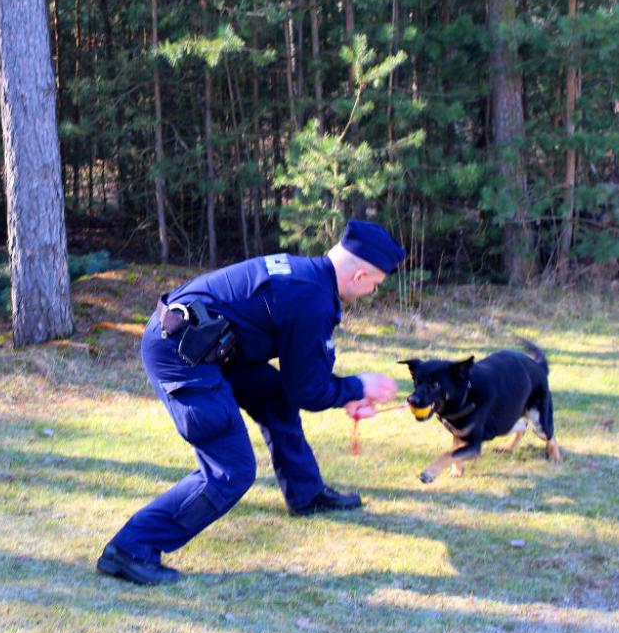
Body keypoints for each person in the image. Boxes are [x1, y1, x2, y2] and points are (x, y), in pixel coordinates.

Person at [96, 220, 405, 585]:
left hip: (215, 346)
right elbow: (309, 390)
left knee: (275, 398)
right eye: (375, 284)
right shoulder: (312, 298)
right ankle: (131, 549)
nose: (372, 291)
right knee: (230, 471)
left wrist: (347, 394)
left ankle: (305, 494)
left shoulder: (308, 278)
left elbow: (301, 383)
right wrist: (358, 387)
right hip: (182, 353)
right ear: (359, 276)